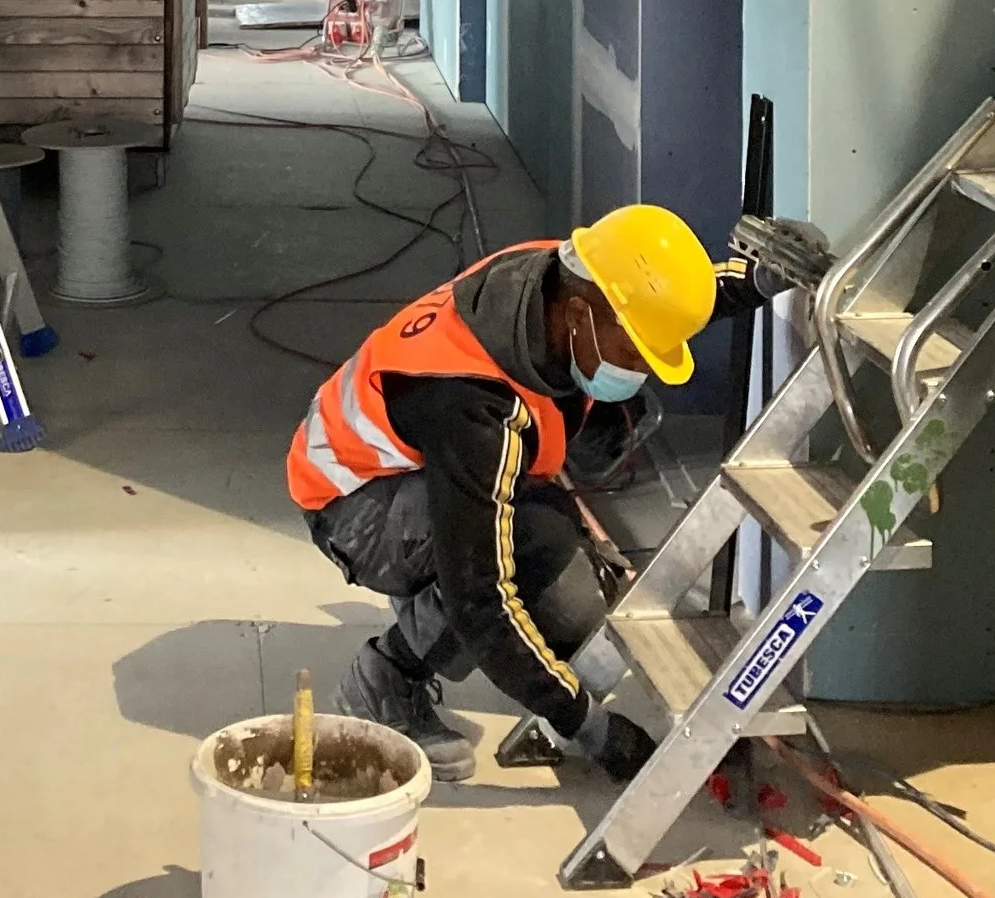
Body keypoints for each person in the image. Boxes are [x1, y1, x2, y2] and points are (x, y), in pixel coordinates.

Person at [287, 204, 722, 784]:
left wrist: (756, 281)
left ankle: (434, 583)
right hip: (354, 505)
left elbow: (650, 298)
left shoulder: (553, 278)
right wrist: (589, 727)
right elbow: (480, 600)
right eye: (634, 350)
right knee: (526, 545)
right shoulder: (469, 404)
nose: (642, 365)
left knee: (577, 616)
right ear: (575, 316)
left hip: (422, 467)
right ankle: (384, 677)